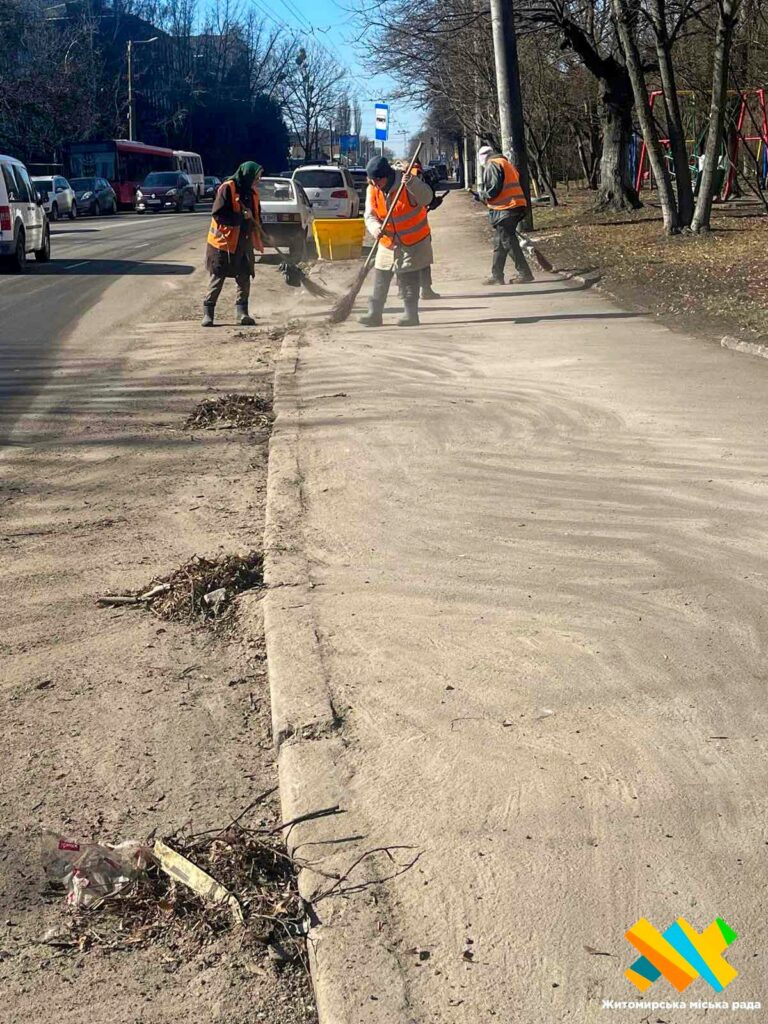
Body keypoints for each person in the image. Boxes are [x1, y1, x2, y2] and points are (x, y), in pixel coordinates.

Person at [361, 154, 434, 328]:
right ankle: (375, 314)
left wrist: (412, 183)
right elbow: (369, 215)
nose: (374, 185)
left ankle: (411, 315)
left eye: (377, 181)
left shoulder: (407, 183)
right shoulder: (372, 188)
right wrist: (374, 228)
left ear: (386, 176)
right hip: (387, 240)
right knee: (381, 276)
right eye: (371, 181)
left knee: (409, 277)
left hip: (413, 241)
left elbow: (427, 198)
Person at [202, 161, 264, 327]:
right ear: (247, 175)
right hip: (223, 244)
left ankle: (242, 314)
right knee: (218, 277)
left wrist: (261, 233)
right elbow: (218, 214)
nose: (258, 180)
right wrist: (239, 217)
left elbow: (257, 216)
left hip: (244, 242)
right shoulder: (227, 189)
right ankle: (208, 314)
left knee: (244, 277)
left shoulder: (252, 194)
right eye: (256, 177)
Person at [475, 144, 533, 286]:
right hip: (515, 205)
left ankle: (524, 273)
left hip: (506, 208)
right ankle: (497, 275)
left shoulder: (493, 164)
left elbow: (494, 188)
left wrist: (482, 195)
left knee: (508, 241)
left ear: (482, 157)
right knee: (500, 243)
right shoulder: (505, 163)